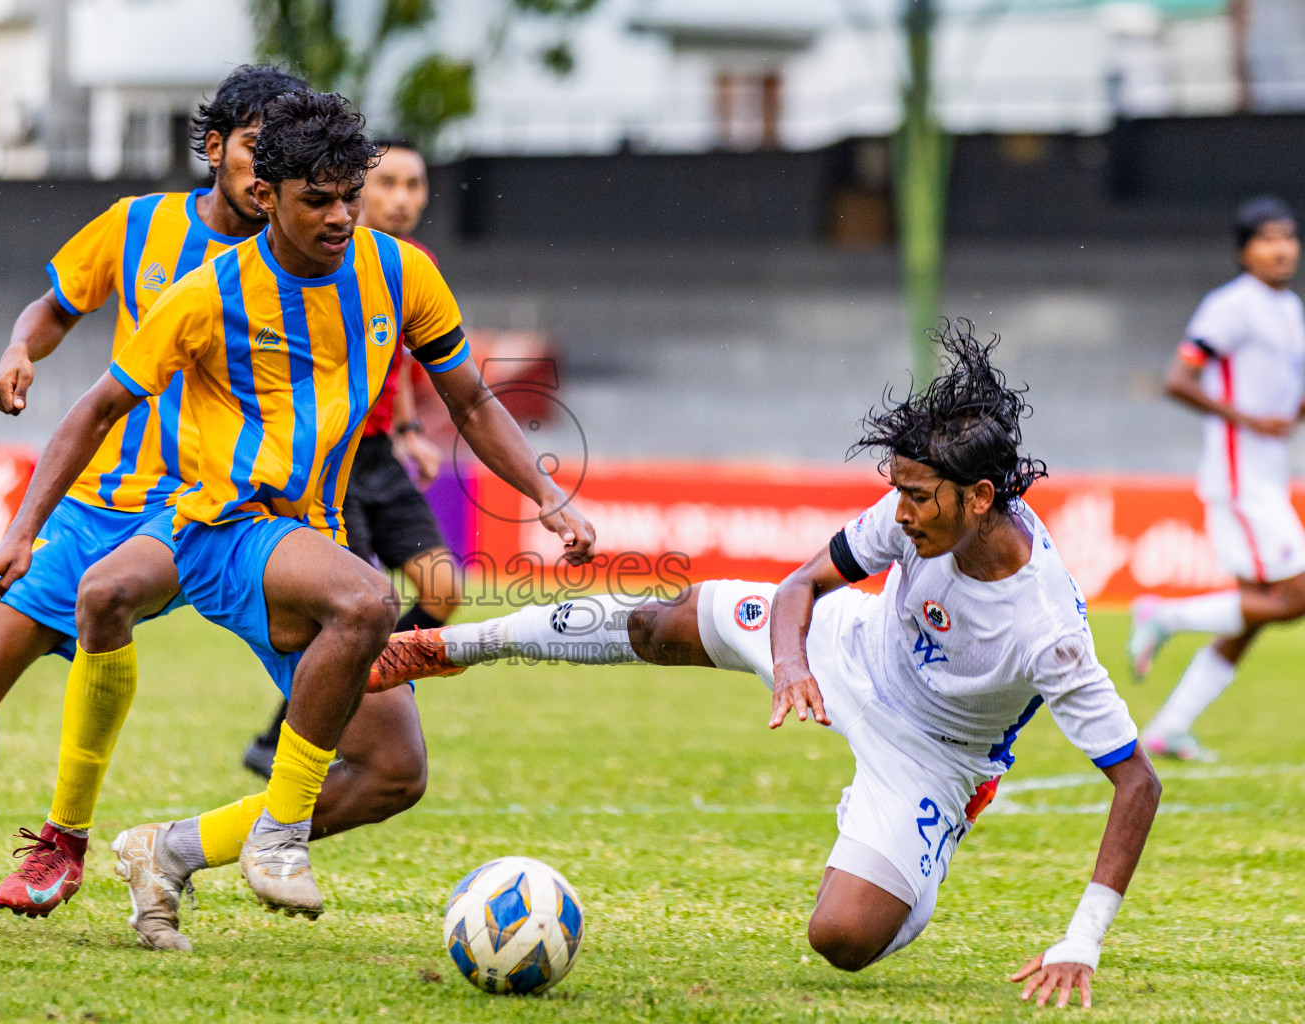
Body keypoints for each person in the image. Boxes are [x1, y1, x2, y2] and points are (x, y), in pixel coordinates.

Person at [0, 90, 595, 951]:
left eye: (349, 197)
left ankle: (166, 851)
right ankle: (277, 835)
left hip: (310, 535)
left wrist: (547, 495)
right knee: (368, 601)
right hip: (220, 526)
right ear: (267, 197)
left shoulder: (401, 272)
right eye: (316, 200)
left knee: (393, 774)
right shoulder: (207, 293)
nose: (339, 217)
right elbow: (96, 409)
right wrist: (20, 530)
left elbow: (472, 399)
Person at [371, 323, 1162, 1009]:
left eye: (918, 497)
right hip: (847, 642)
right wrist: (791, 664)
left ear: (981, 497)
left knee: (843, 939)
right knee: (654, 623)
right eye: (900, 492)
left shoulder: (1048, 630)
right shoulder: (912, 511)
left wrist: (1081, 938)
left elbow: (1137, 782)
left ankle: (925, 837)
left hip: (936, 754)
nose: (901, 511)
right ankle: (455, 646)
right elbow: (802, 587)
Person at [0, 64, 309, 929]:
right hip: (99, 501)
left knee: (111, 601)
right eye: (258, 149)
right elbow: (53, 303)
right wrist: (20, 350)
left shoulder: (302, 263)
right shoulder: (139, 226)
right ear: (213, 147)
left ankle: (66, 838)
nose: (272, 171)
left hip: (209, 510)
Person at [242, 136, 463, 778]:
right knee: (360, 604)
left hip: (379, 456)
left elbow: (396, 360)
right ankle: (306, 733)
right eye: (387, 183)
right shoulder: (319, 261)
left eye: (414, 185)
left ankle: (338, 708)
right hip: (325, 462)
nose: (401, 199)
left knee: (444, 591)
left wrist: (409, 427)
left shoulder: (411, 264)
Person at [1128, 196, 1305, 762]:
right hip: (1238, 477)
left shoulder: (1289, 308)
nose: (1281, 248)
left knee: (1255, 611)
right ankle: (1164, 614)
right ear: (1243, 251)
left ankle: (1170, 727)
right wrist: (1247, 419)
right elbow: (1179, 379)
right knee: (1297, 595)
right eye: (1267, 239)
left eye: (1289, 236)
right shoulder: (1230, 306)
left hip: (1267, 475)